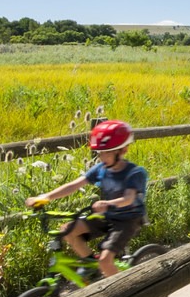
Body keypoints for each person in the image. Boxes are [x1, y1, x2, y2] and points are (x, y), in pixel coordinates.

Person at [25, 119, 146, 281]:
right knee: (68, 230)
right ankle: (90, 264)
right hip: (106, 216)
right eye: (100, 153)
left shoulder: (135, 173)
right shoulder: (102, 168)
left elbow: (128, 198)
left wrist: (108, 204)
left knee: (105, 261)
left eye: (107, 152)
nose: (102, 157)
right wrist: (46, 197)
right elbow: (74, 185)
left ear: (122, 150)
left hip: (127, 219)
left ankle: (124, 295)